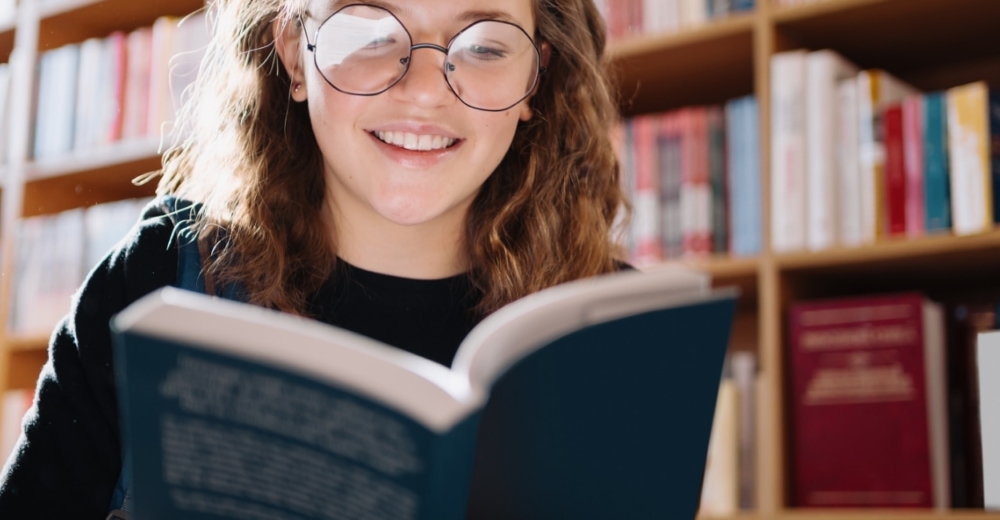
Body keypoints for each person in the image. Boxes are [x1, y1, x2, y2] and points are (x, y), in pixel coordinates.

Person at [0, 0, 627, 516]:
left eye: (484, 46)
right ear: (296, 53)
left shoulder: (620, 333)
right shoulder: (153, 277)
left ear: (533, 79)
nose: (424, 91)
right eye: (372, 32)